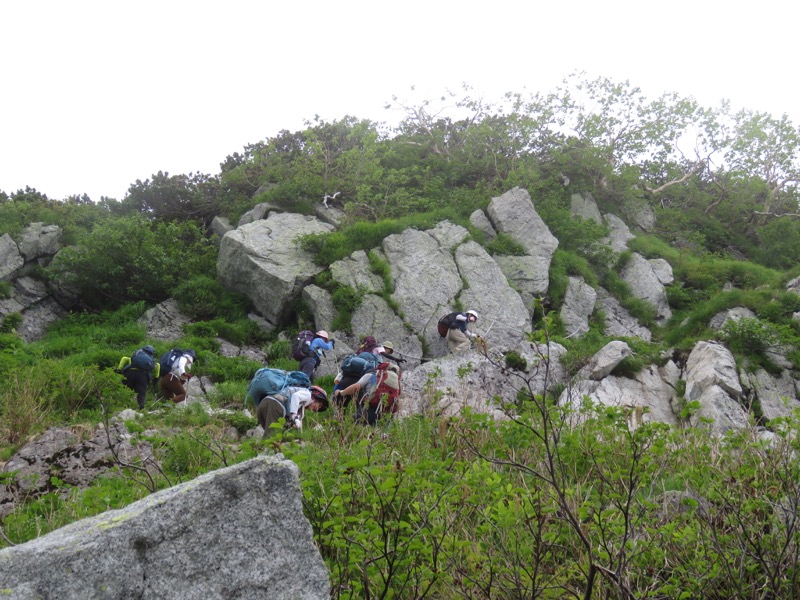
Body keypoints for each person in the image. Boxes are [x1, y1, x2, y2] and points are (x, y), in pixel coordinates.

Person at [256, 385, 328, 438]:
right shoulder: (308, 394)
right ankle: (263, 456)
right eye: (319, 405)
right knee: (271, 436)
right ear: (316, 397)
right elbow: (295, 396)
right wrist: (294, 416)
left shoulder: (301, 405)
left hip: (265, 402)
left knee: (271, 434)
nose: (317, 409)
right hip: (275, 405)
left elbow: (299, 424)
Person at [118, 345, 160, 410]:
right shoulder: (150, 359)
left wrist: (119, 369)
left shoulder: (137, 354)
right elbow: (157, 366)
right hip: (142, 376)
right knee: (141, 394)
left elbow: (124, 358)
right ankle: (142, 409)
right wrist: (156, 379)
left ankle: (122, 407)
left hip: (129, 373)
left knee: (126, 391)